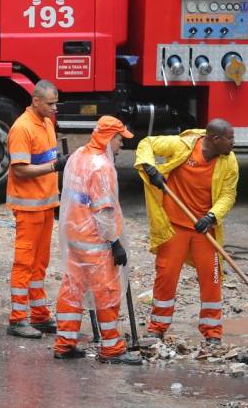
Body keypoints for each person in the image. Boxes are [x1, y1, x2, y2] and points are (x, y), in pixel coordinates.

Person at [134, 119, 238, 346]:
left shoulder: (229, 162)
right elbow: (147, 143)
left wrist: (211, 216)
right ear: (215, 139)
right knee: (166, 275)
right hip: (174, 227)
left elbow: (228, 196)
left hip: (204, 229)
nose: (234, 143)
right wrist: (150, 168)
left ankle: (212, 332)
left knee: (212, 279)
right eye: (230, 138)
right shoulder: (183, 145)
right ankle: (156, 328)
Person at [52, 116, 143, 365]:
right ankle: (111, 349)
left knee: (72, 287)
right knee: (108, 292)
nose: (120, 146)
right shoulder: (101, 167)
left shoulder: (78, 155)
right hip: (95, 240)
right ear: (108, 138)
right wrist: (115, 242)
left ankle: (65, 343)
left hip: (73, 235)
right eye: (118, 140)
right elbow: (104, 210)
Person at [4, 79, 66, 338]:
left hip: (45, 206)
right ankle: (17, 319)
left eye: (56, 103)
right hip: (28, 209)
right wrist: (54, 167)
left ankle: (39, 315)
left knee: (40, 263)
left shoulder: (46, 123)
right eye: (50, 104)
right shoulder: (22, 128)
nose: (54, 108)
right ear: (36, 100)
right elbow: (20, 169)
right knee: (25, 262)